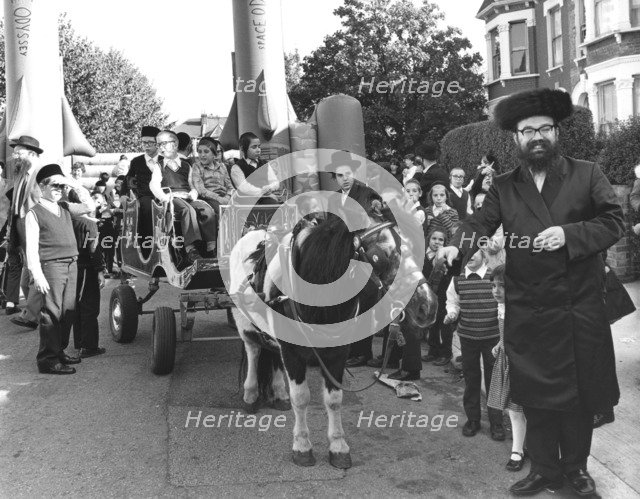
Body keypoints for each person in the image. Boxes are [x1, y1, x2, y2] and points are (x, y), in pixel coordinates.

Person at [437, 88, 624, 497]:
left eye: (544, 129)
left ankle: (576, 470)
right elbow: (476, 225)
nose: (536, 137)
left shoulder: (587, 172)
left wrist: (570, 234)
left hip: (578, 307)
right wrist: (456, 243)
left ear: (556, 133)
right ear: (517, 139)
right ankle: (544, 470)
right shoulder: (504, 186)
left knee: (577, 397)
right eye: (527, 131)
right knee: (535, 396)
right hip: (529, 308)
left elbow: (614, 221)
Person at [325, 150, 382, 367]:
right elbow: (329, 227)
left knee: (365, 301)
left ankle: (363, 352)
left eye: (348, 173)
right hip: (342, 258)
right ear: (335, 177)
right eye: (340, 175)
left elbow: (377, 224)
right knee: (345, 305)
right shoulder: (333, 198)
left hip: (366, 256)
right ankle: (347, 349)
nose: (345, 178)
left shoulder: (367, 194)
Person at [26, 164, 82, 375]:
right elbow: (31, 248)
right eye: (54, 185)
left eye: (61, 185)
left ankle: (58, 351)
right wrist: (37, 274)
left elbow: (88, 205)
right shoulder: (35, 213)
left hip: (71, 263)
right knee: (52, 313)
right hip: (52, 266)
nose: (59, 188)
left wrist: (72, 182)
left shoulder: (64, 207)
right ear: (42, 186)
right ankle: (47, 360)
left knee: (68, 311)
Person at [444, 248, 504, 441]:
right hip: (468, 337)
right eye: (466, 255)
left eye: (474, 254)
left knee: (494, 380)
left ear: (484, 255)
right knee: (471, 379)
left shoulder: (493, 277)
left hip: (492, 338)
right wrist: (452, 313)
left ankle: (496, 422)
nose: (470, 258)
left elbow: (502, 303)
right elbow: (453, 302)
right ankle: (473, 419)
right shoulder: (457, 280)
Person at [150, 130, 218, 262]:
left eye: (165, 144)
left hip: (187, 196)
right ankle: (190, 248)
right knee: (187, 210)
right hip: (171, 197)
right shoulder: (158, 166)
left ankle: (211, 246)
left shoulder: (186, 165)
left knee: (207, 210)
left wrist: (193, 192)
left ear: (175, 145)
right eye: (159, 145)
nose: (162, 148)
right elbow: (154, 185)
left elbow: (192, 185)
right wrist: (164, 198)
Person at [487, 264, 527, 472]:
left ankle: (519, 449)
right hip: (506, 359)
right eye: (493, 286)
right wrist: (499, 344)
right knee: (514, 409)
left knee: (517, 407)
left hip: (519, 362)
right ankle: (519, 447)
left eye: (502, 286)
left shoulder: (517, 309)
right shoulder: (501, 307)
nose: (496, 290)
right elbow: (506, 335)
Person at [71, 215, 106, 358]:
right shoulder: (88, 222)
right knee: (89, 307)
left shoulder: (67, 218)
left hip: (73, 267)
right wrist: (100, 270)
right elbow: (94, 247)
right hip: (86, 267)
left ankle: (80, 342)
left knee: (78, 306)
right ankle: (88, 346)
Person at [124, 126, 162, 253]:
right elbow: (127, 180)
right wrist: (124, 194)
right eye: (144, 142)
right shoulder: (136, 161)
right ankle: (147, 248)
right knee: (147, 207)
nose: (146, 146)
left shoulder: (164, 160)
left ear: (158, 144)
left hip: (163, 195)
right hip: (144, 196)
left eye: (150, 143)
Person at [421, 228, 455, 366]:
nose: (437, 242)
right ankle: (433, 350)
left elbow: (450, 276)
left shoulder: (446, 257)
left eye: (441, 240)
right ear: (429, 239)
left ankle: (445, 353)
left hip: (444, 294)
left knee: (444, 324)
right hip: (428, 294)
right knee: (432, 322)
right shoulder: (423, 255)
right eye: (434, 239)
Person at [230, 132, 282, 204]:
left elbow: (275, 182)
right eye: (254, 147)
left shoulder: (265, 164)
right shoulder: (237, 167)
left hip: (266, 199)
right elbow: (244, 188)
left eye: (259, 146)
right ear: (242, 148)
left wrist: (270, 188)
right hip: (247, 201)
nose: (258, 150)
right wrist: (263, 192)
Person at [415, 141, 449, 205]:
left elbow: (414, 191)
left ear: (423, 159)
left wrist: (417, 173)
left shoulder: (429, 174)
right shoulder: (442, 171)